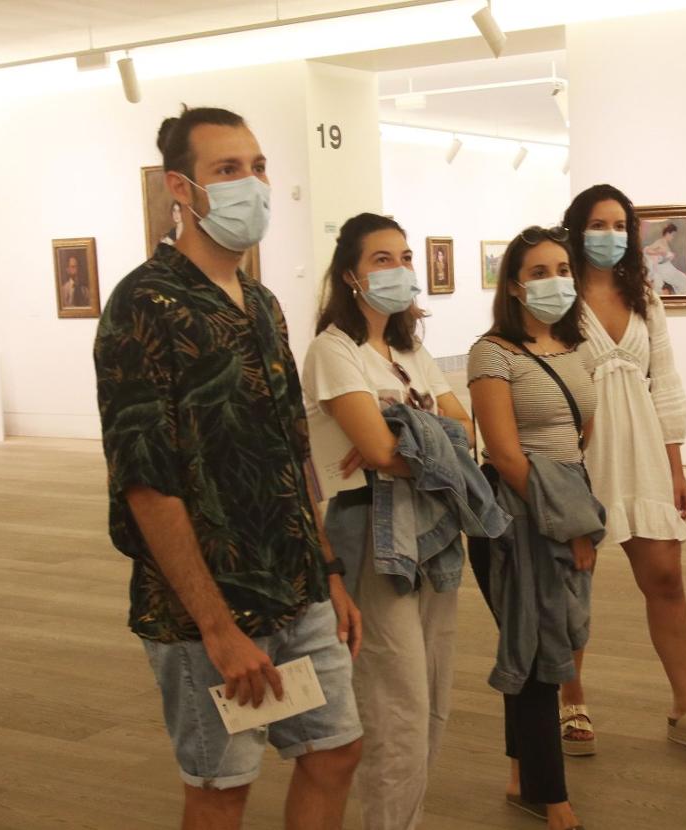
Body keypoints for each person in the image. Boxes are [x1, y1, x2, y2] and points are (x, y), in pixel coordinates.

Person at [93, 105, 364, 830]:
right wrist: (216, 627)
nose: (253, 184)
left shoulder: (265, 305)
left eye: (258, 166)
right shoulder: (141, 305)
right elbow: (146, 480)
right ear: (182, 188)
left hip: (294, 584)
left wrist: (328, 571)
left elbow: (291, 449)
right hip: (203, 609)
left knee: (336, 750)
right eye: (228, 170)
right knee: (221, 789)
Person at [301, 212, 474, 830]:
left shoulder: (408, 350)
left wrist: (405, 428)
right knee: (395, 702)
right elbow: (377, 454)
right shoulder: (332, 350)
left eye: (404, 258)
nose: (399, 269)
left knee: (433, 697)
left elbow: (466, 431)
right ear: (349, 275)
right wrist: (419, 434)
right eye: (382, 259)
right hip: (370, 530)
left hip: (433, 528)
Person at [558, 183, 686, 759]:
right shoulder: (555, 296)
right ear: (576, 228)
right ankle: (571, 701)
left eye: (618, 225)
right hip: (579, 455)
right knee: (571, 583)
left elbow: (667, 381)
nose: (608, 236)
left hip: (642, 452)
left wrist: (675, 466)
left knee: (665, 578)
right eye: (597, 224)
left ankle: (685, 704)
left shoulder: (646, 298)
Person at [468, 225, 601, 830]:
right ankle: (554, 799)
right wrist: (569, 526)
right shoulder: (492, 352)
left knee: (541, 640)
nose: (555, 282)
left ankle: (521, 772)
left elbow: (581, 436)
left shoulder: (578, 347)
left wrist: (581, 508)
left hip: (568, 504)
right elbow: (504, 454)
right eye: (540, 272)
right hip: (516, 520)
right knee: (542, 652)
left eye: (562, 269)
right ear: (516, 286)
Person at [642, 222, 686, 295]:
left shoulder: (666, 243)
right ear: (667, 233)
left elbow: (664, 258)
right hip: (663, 269)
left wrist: (669, 256)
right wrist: (660, 252)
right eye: (672, 235)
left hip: (668, 267)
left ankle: (683, 296)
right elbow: (648, 251)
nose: (673, 237)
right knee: (682, 280)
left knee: (684, 279)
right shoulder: (659, 241)